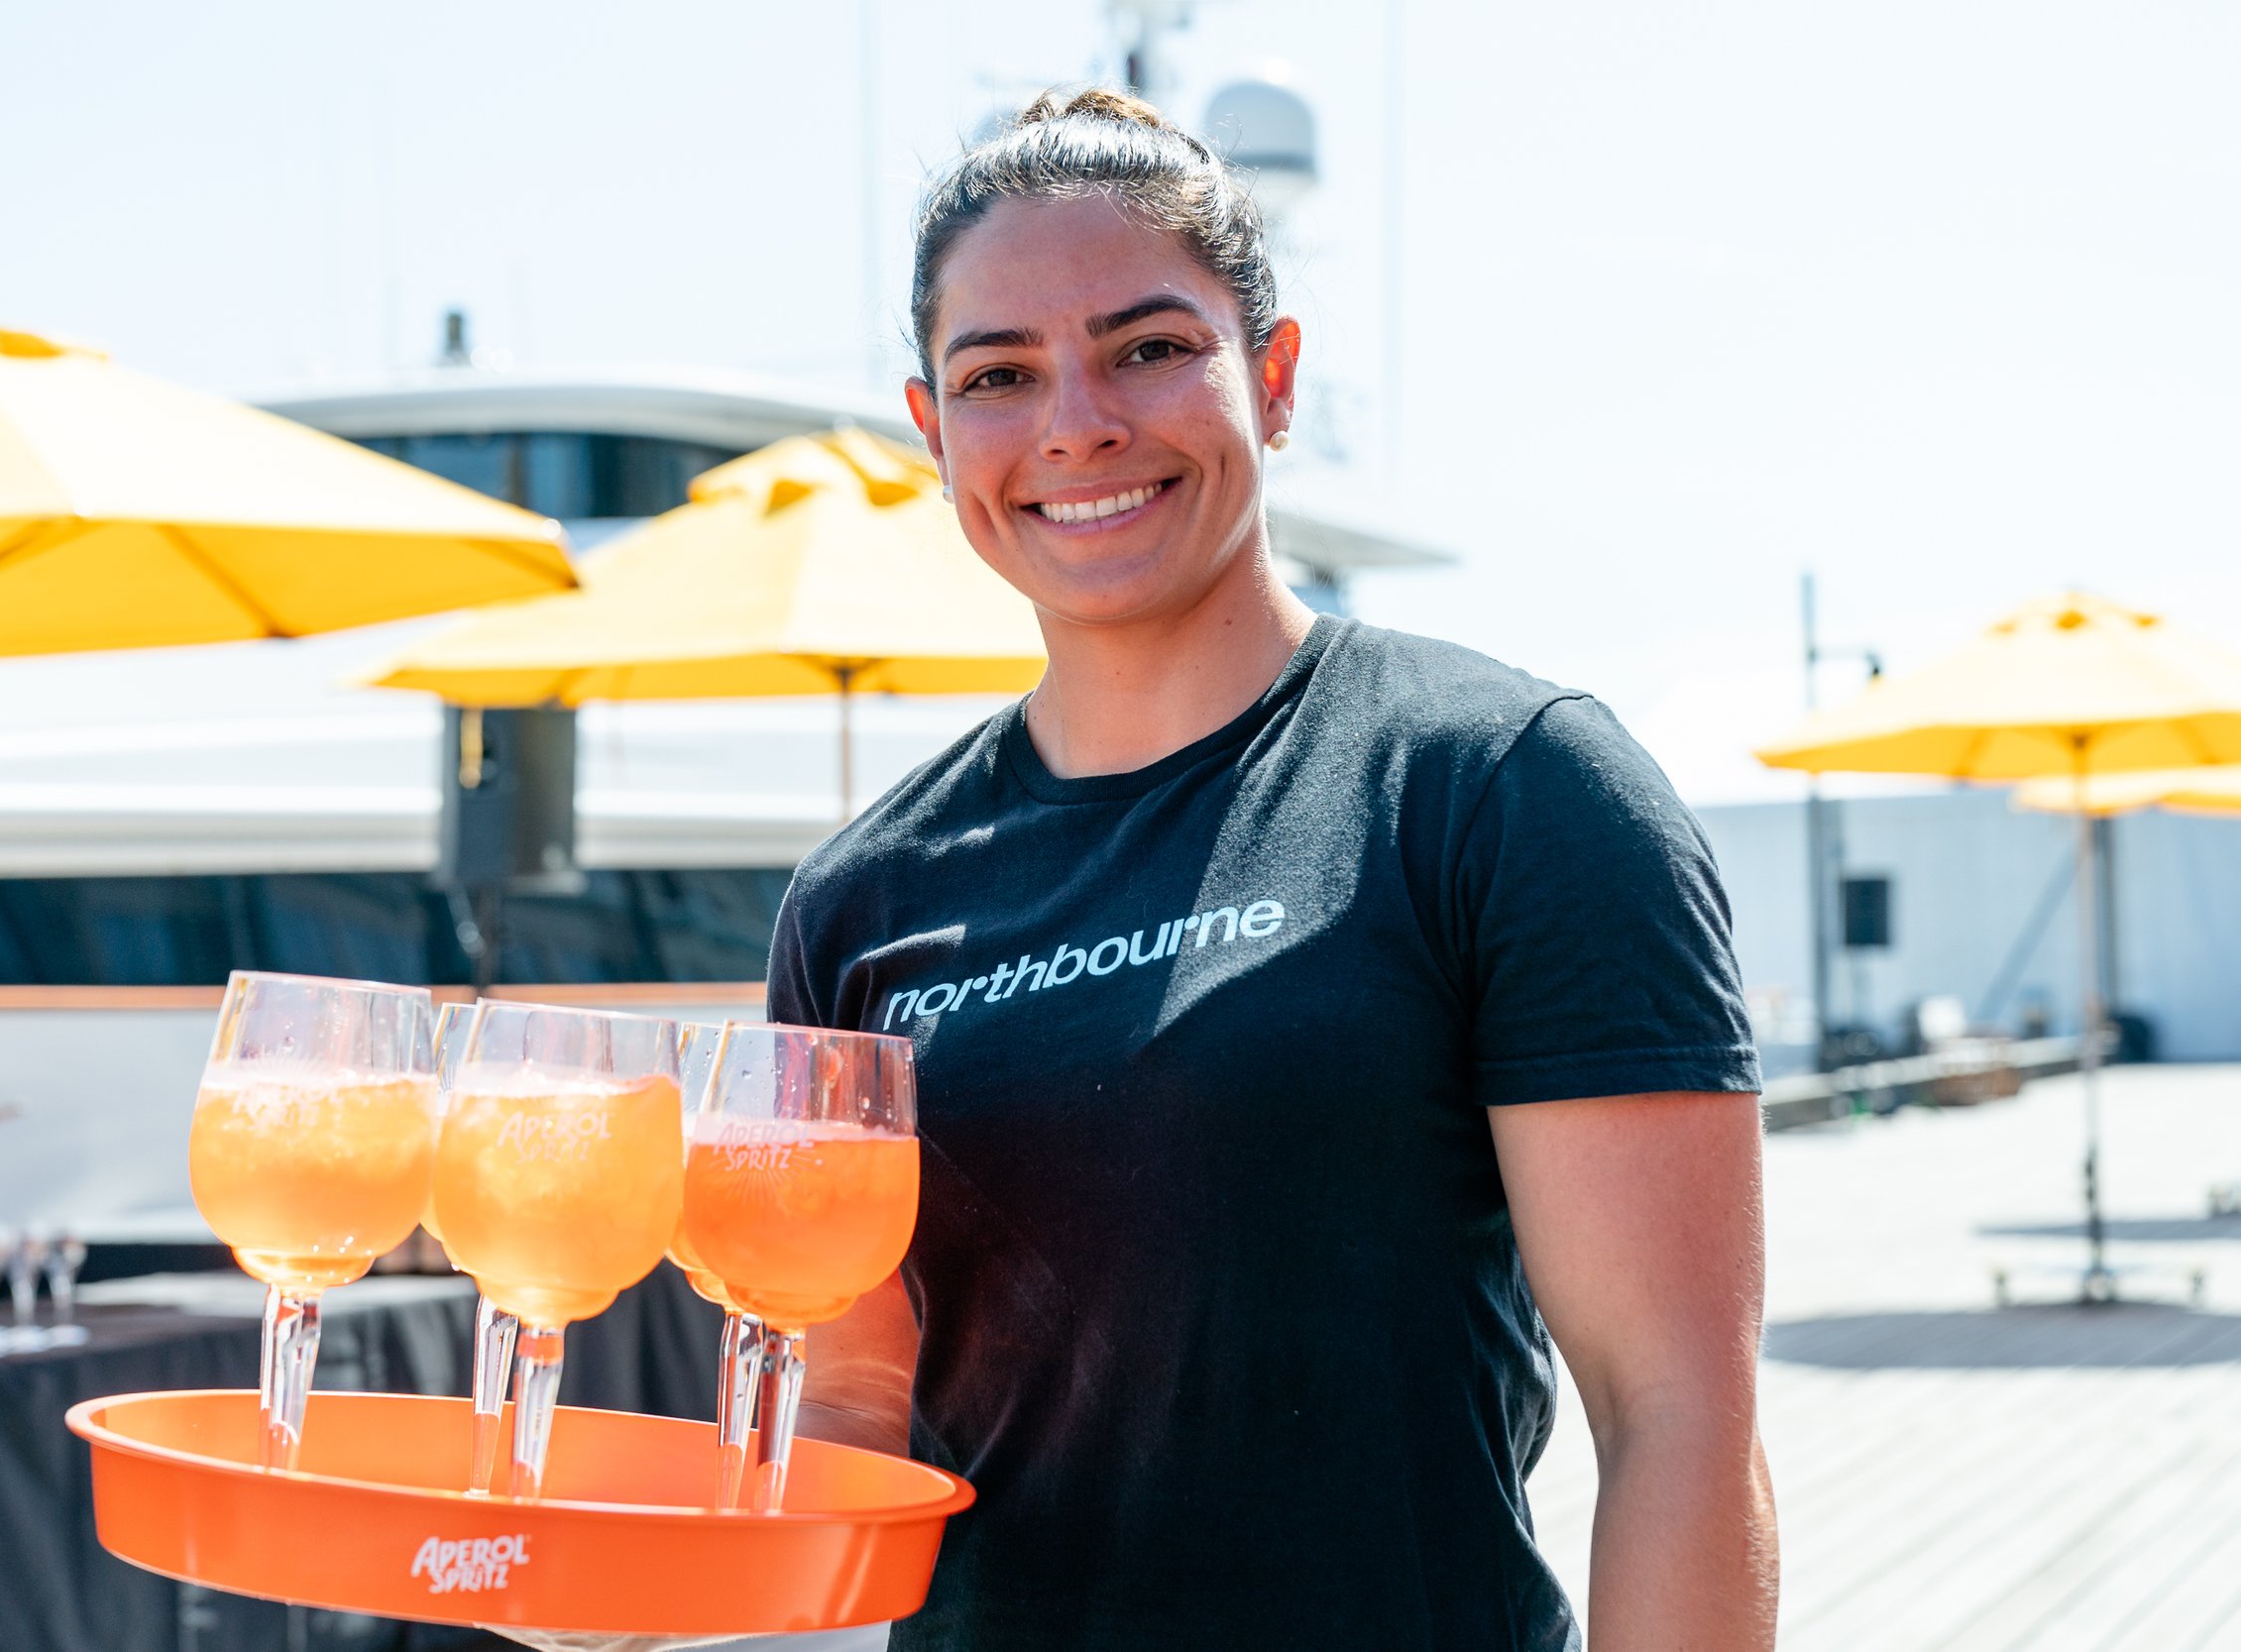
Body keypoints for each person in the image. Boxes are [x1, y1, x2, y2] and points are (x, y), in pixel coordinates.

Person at [760, 87, 1777, 1652]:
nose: (1076, 422)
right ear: (931, 428)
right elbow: (849, 1388)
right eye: (1000, 375)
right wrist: (634, 1563)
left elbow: (1677, 1417)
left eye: (1151, 346)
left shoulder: (1501, 787)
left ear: (1274, 376)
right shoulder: (859, 901)